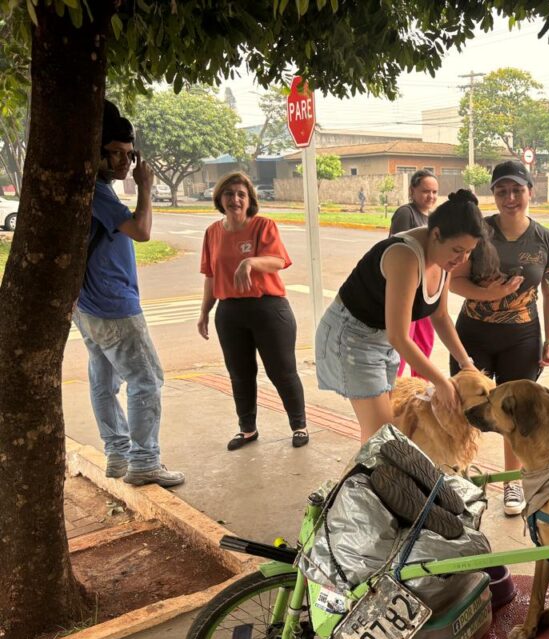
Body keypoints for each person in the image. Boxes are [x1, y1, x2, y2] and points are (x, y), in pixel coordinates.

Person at [72, 100, 184, 487]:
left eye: (128, 155)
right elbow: (142, 230)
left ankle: (117, 453)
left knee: (102, 377)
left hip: (88, 303)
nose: (124, 163)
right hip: (111, 302)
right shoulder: (99, 192)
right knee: (147, 379)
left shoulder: (93, 187)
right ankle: (144, 460)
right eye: (115, 154)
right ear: (97, 153)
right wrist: (146, 188)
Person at [315, 189, 482, 443]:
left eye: (469, 251)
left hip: (382, 338)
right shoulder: (405, 256)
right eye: (458, 250)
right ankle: (364, 481)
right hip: (351, 337)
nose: (462, 259)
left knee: (383, 429)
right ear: (435, 234)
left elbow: (440, 316)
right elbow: (399, 337)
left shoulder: (445, 259)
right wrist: (441, 382)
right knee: (382, 436)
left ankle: (372, 478)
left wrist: (466, 363)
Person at [448, 160, 549, 515]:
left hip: (522, 338)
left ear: (530, 191)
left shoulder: (545, 239)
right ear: (493, 195)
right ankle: (460, 476)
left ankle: (514, 483)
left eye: (517, 190)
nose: (510, 197)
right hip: (473, 336)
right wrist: (491, 296)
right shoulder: (479, 233)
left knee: (515, 413)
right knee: (465, 407)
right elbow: (454, 281)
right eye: (501, 191)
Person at [196, 172, 308, 451]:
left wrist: (250, 262)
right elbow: (210, 276)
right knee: (239, 373)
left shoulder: (263, 226)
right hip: (230, 312)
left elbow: (278, 260)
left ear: (249, 200)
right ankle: (247, 429)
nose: (235, 199)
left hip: (268, 309)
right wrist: (204, 312)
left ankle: (300, 425)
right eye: (229, 194)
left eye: (241, 194)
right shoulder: (212, 232)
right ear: (220, 198)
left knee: (281, 371)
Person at [389, 169, 440, 379]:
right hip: (407, 293)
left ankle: (419, 393)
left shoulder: (434, 218)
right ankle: (396, 393)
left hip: (426, 293)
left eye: (435, 192)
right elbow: (397, 250)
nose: (431, 196)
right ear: (413, 191)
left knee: (423, 345)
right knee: (403, 348)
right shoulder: (405, 214)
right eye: (425, 191)